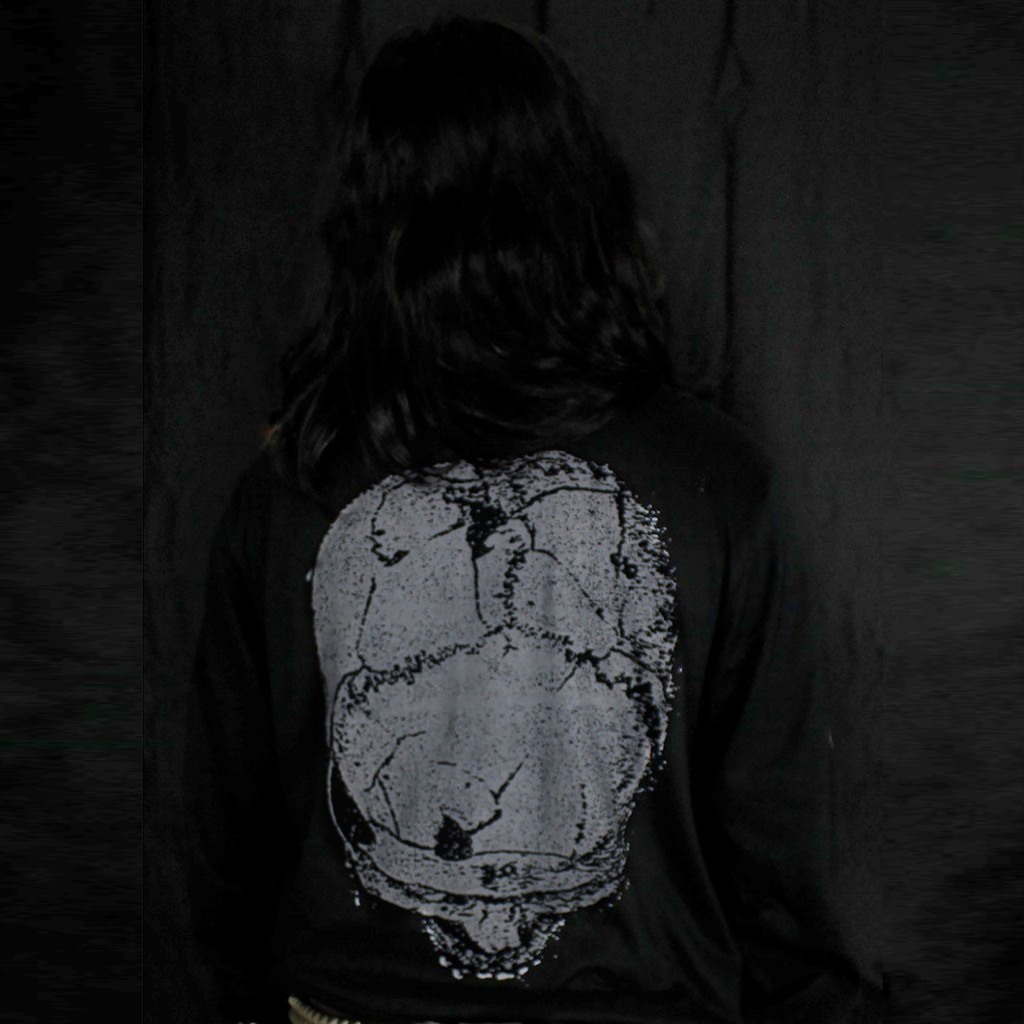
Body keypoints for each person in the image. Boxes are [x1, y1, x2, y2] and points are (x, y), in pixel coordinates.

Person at [181, 14, 878, 1024]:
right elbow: (784, 871)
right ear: (584, 204)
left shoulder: (287, 489)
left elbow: (220, 867)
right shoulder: (719, 483)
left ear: (368, 224)